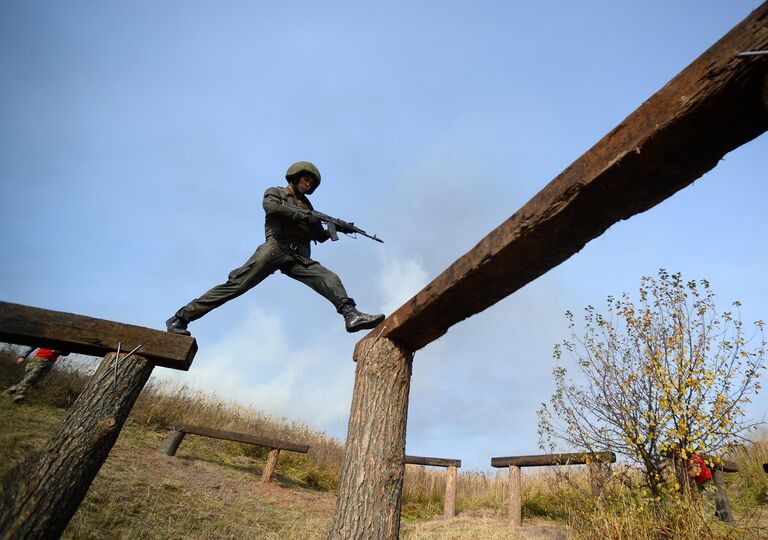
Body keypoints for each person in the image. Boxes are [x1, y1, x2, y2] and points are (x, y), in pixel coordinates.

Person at [166, 161, 385, 336]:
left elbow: (319, 236)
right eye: (305, 179)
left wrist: (337, 228)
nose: (308, 184)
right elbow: (271, 208)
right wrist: (306, 216)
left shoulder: (309, 206)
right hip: (274, 249)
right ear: (295, 177)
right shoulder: (276, 193)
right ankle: (181, 318)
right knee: (236, 286)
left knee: (329, 278)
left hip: (297, 257)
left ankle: (351, 315)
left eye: (311, 183)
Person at [2, 347, 69, 403]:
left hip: (50, 363)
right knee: (32, 376)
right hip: (39, 359)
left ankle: (12, 389)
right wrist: (22, 356)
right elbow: (32, 346)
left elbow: (66, 353)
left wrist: (59, 351)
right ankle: (18, 393)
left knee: (36, 380)